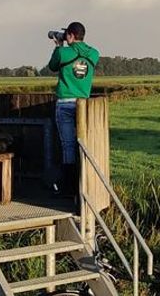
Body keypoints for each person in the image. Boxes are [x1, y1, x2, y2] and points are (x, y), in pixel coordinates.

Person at [47, 21, 99, 197]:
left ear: (70, 35)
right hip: (83, 104)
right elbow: (83, 55)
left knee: (67, 145)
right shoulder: (94, 53)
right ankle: (85, 181)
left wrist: (58, 46)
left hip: (64, 103)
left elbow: (53, 66)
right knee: (84, 143)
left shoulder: (62, 52)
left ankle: (68, 185)